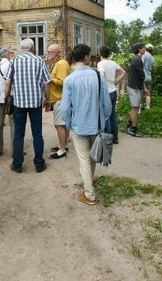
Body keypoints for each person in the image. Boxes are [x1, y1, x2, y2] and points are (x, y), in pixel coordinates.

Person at [61, 44, 111, 205]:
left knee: (84, 159)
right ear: (86, 57)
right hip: (96, 124)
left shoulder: (69, 79)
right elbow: (106, 103)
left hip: (79, 125)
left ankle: (89, 194)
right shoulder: (97, 77)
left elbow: (65, 108)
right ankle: (89, 180)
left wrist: (68, 124)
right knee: (93, 156)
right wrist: (104, 119)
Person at [6, 38, 51, 173]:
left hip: (19, 103)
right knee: (37, 133)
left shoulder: (14, 61)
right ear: (32, 48)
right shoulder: (39, 61)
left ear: (21, 48)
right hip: (35, 102)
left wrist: (6, 97)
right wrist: (47, 100)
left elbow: (8, 82)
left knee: (18, 134)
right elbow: (47, 83)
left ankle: (17, 164)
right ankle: (39, 164)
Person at [97, 45, 127, 144]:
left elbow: (101, 75)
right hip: (113, 91)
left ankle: (108, 138)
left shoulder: (101, 64)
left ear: (100, 53)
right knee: (113, 114)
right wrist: (115, 82)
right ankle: (115, 138)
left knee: (106, 115)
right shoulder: (113, 63)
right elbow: (123, 72)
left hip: (106, 92)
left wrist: (102, 86)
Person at [46, 43, 70, 159]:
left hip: (60, 98)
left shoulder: (60, 64)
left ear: (56, 53)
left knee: (59, 124)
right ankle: (63, 145)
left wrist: (50, 79)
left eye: (50, 52)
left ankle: (62, 150)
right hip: (58, 98)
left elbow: (62, 82)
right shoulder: (58, 63)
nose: (48, 54)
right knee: (62, 124)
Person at [0, 47, 15, 156]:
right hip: (9, 97)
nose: (12, 54)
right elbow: (10, 82)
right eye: (11, 52)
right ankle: (15, 149)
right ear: (7, 54)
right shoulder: (10, 65)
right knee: (13, 124)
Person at [126, 43, 147, 138]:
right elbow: (142, 75)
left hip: (134, 86)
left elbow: (140, 77)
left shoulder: (137, 59)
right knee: (135, 109)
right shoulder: (137, 60)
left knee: (134, 108)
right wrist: (145, 87)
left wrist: (144, 87)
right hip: (134, 88)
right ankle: (133, 129)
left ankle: (129, 124)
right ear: (139, 49)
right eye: (143, 47)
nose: (145, 48)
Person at [142, 44, 155, 109]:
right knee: (147, 93)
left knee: (140, 93)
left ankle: (138, 109)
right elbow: (152, 67)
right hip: (149, 77)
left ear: (146, 48)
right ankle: (147, 107)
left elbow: (140, 64)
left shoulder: (144, 55)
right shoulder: (152, 58)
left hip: (142, 77)